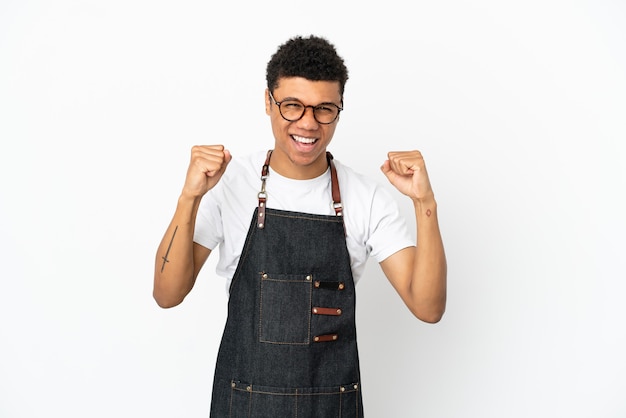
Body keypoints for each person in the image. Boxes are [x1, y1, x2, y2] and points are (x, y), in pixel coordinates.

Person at [153, 34, 446, 417]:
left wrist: (425, 203)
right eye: (292, 106)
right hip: (244, 404)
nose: (308, 124)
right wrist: (189, 197)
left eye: (324, 109)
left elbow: (428, 307)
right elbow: (167, 294)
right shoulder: (231, 182)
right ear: (268, 103)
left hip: (331, 407)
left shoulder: (365, 198)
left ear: (339, 110)